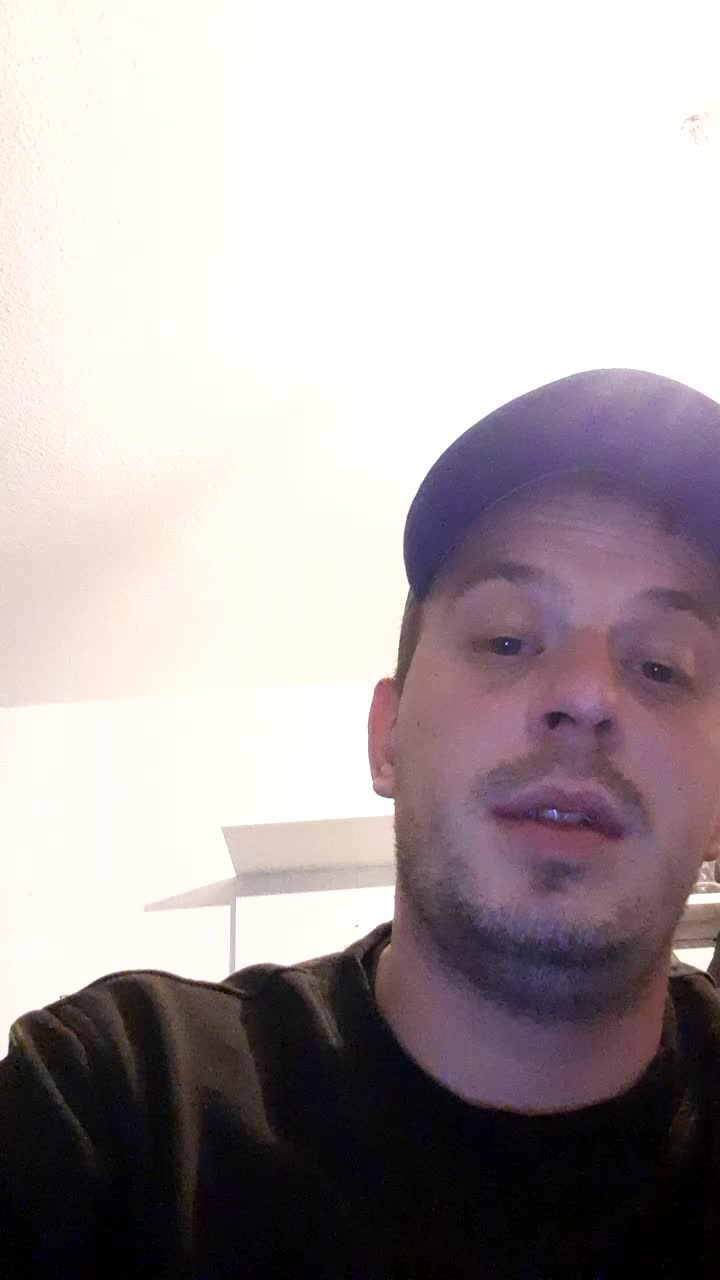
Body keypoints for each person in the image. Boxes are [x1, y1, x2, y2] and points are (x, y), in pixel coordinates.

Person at [3, 369, 720, 1279]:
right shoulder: (117, 1108)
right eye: (507, 640)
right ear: (388, 739)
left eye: (660, 667)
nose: (585, 695)